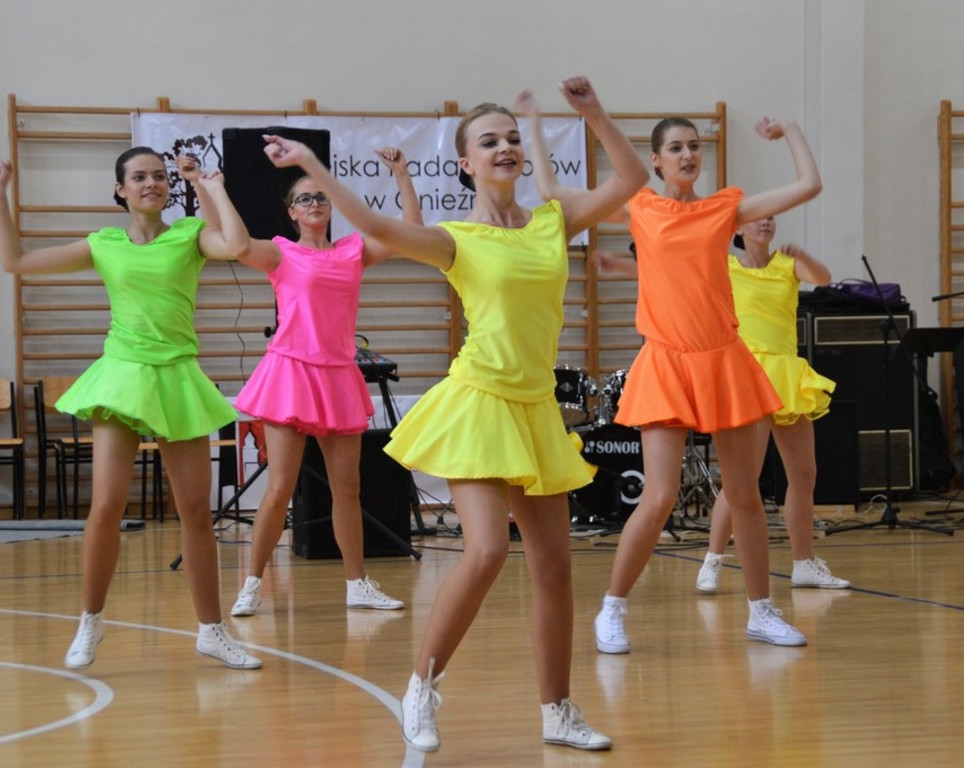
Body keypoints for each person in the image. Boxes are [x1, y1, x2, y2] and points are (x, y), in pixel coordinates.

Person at [260, 76, 648, 752]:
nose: (504, 147)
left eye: (511, 138)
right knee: (488, 549)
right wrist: (312, 165)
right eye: (488, 141)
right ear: (465, 162)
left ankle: (557, 710)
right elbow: (376, 227)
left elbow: (633, 178)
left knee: (555, 570)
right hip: (479, 402)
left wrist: (592, 113)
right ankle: (422, 683)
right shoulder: (455, 238)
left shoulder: (553, 222)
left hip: (536, 409)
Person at [0, 148, 262, 671]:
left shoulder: (189, 236)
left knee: (195, 512)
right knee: (107, 505)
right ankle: (90, 620)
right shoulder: (103, 244)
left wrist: (209, 186)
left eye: (158, 176)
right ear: (121, 189)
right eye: (139, 177)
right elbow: (15, 261)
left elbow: (236, 244)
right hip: (122, 377)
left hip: (176, 377)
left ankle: (211, 631)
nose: (151, 183)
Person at [578, 115, 823, 653]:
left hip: (724, 361)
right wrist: (586, 116)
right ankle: (612, 607)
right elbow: (560, 196)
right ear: (656, 160)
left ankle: (762, 611)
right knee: (659, 495)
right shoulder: (640, 206)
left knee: (744, 494)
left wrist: (791, 131)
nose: (687, 154)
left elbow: (809, 185)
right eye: (675, 147)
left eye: (693, 146)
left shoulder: (723, 208)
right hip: (666, 362)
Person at [218, 147, 421, 617]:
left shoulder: (353, 251)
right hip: (291, 372)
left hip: (338, 375)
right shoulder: (280, 251)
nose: (314, 204)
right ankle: (252, 584)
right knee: (280, 487)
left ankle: (357, 584)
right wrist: (216, 191)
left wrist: (401, 174)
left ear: (331, 206)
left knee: (347, 488)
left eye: (321, 197)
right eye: (304, 199)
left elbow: (412, 232)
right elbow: (238, 244)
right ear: (292, 212)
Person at [695, 218, 851, 593]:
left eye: (770, 216)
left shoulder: (787, 264)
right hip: (747, 374)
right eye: (757, 217)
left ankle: (804, 563)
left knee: (803, 473)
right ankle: (712, 559)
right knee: (742, 478)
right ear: (739, 229)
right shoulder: (725, 267)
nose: (765, 221)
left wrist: (804, 255)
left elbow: (824, 278)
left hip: (786, 374)